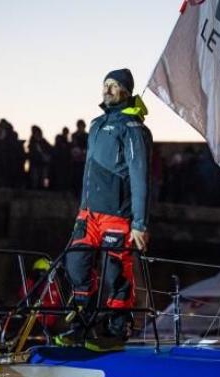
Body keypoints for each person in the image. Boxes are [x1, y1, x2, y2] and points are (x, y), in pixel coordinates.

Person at [58, 68, 152, 347]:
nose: (107, 90)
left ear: (126, 91)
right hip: (88, 213)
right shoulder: (97, 124)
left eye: (114, 86)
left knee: (116, 271)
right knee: (75, 262)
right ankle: (82, 322)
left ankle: (117, 327)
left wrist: (140, 223)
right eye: (105, 84)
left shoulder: (133, 128)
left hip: (117, 215)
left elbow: (140, 175)